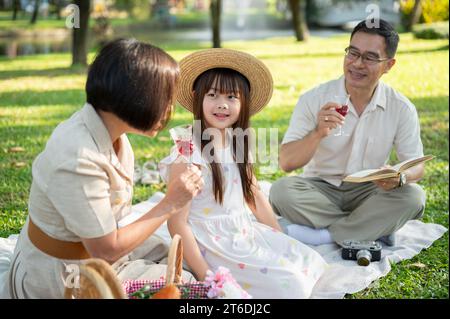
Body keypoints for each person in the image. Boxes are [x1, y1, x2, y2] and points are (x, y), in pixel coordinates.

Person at [1, 39, 203, 299]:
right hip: (66, 278)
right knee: (188, 287)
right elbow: (106, 250)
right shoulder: (78, 159)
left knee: (185, 255)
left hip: (95, 251)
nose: (169, 111)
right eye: (163, 99)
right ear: (134, 97)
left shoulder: (110, 132)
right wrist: (171, 202)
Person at [159, 48, 327, 299]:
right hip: (212, 242)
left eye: (232, 96)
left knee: (311, 261)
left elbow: (253, 193)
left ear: (244, 102)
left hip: (242, 230)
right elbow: (177, 222)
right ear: (197, 96)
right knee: (293, 286)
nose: (222, 104)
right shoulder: (188, 148)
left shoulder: (238, 140)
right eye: (212, 95)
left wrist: (278, 237)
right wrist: (208, 276)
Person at [269, 19, 426, 246]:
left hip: (370, 192)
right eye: (352, 53)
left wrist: (400, 177)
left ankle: (326, 236)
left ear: (389, 65)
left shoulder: (401, 108)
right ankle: (371, 228)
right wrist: (318, 132)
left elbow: (416, 165)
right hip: (320, 190)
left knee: (414, 196)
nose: (357, 64)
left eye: (370, 57)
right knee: (281, 191)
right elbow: (286, 163)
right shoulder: (314, 99)